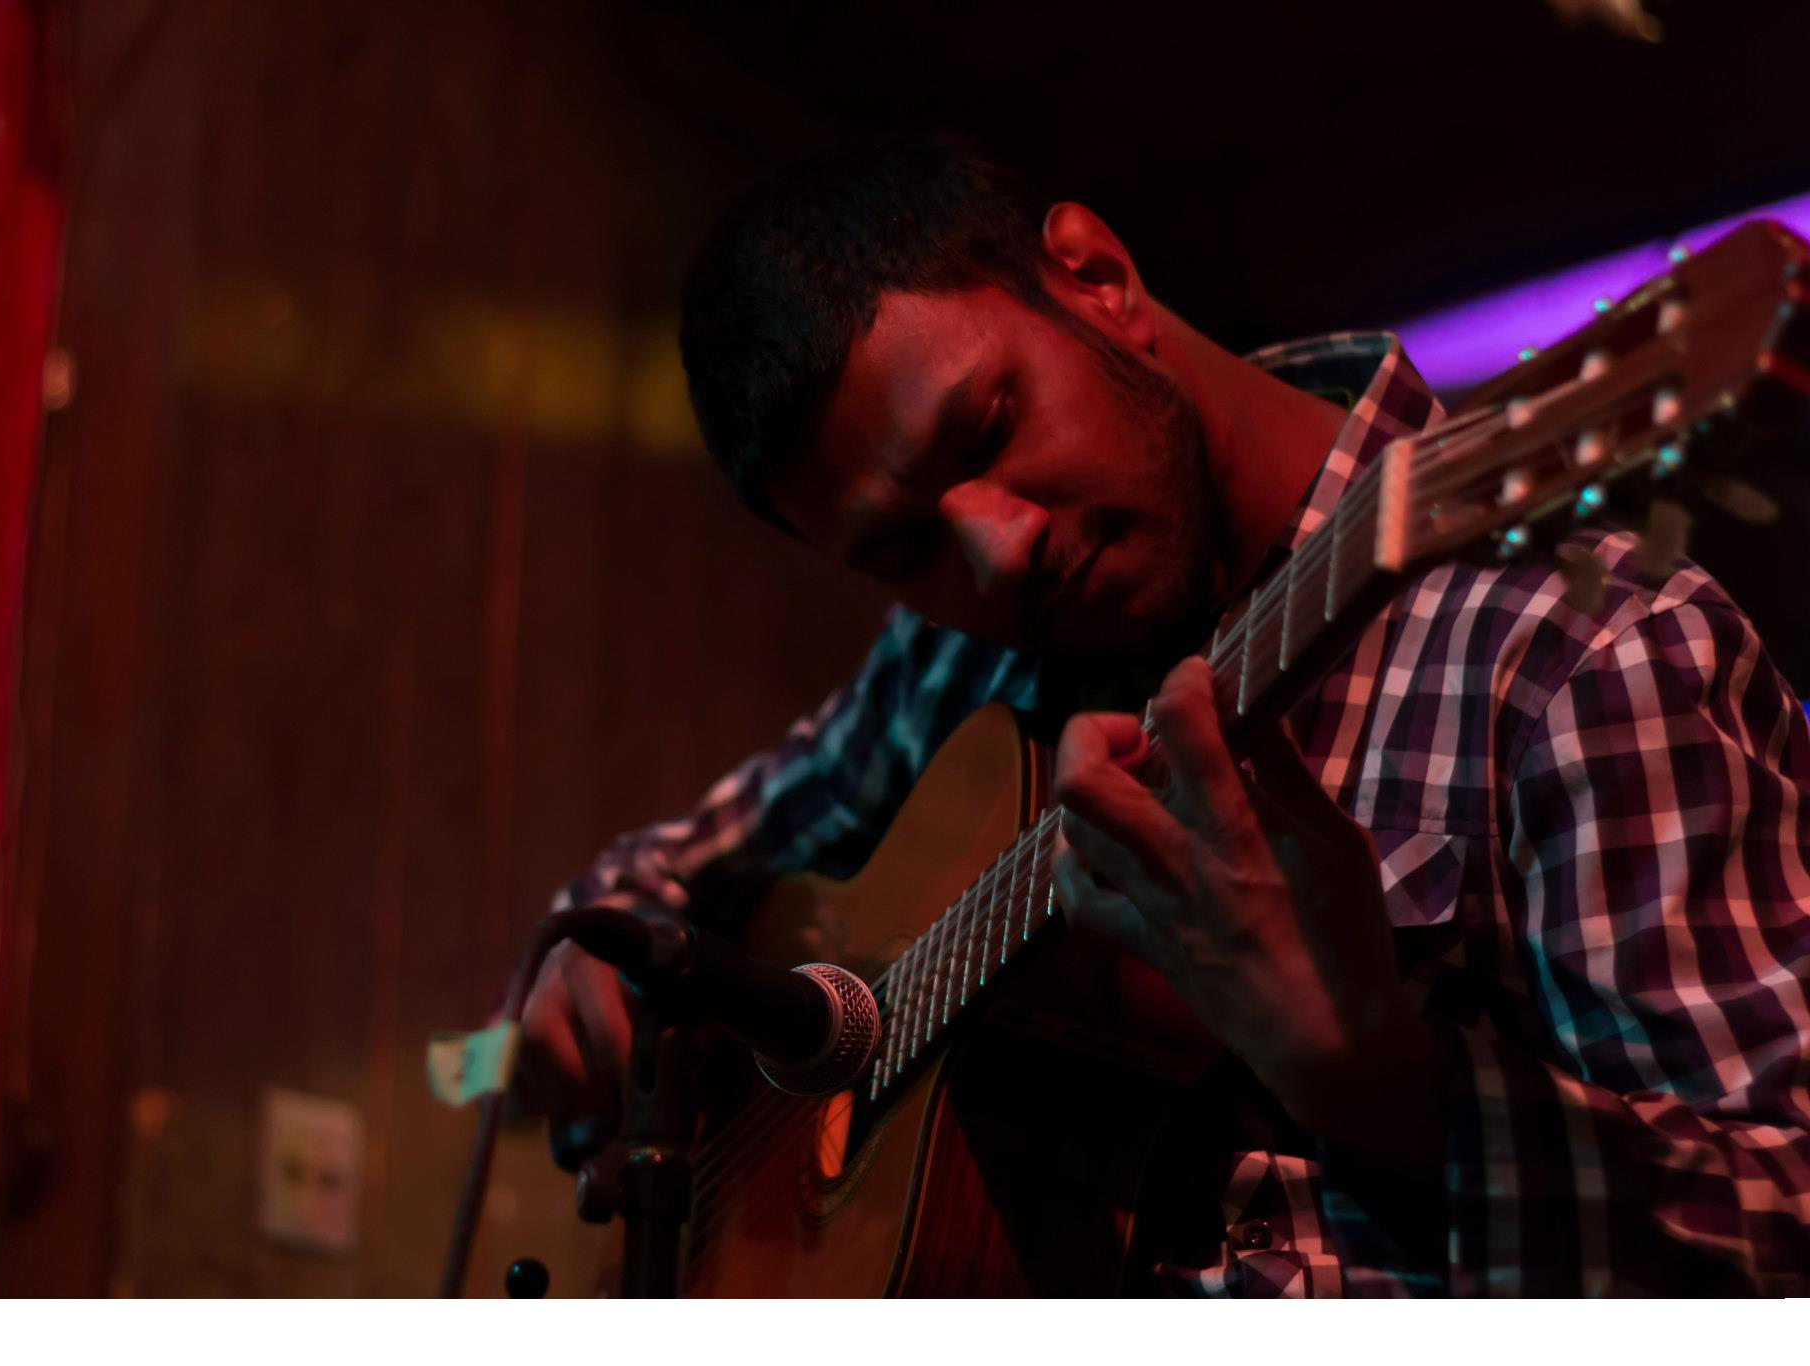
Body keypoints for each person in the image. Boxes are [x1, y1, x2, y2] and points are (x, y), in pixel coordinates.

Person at [508, 134, 1810, 1296]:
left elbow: (1783, 1222)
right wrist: (601, 952)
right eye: (903, 547)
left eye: (990, 422)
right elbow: (688, 864)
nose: (996, 551)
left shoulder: (1579, 652)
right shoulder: (963, 654)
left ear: (1097, 278)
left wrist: (1385, 1091)